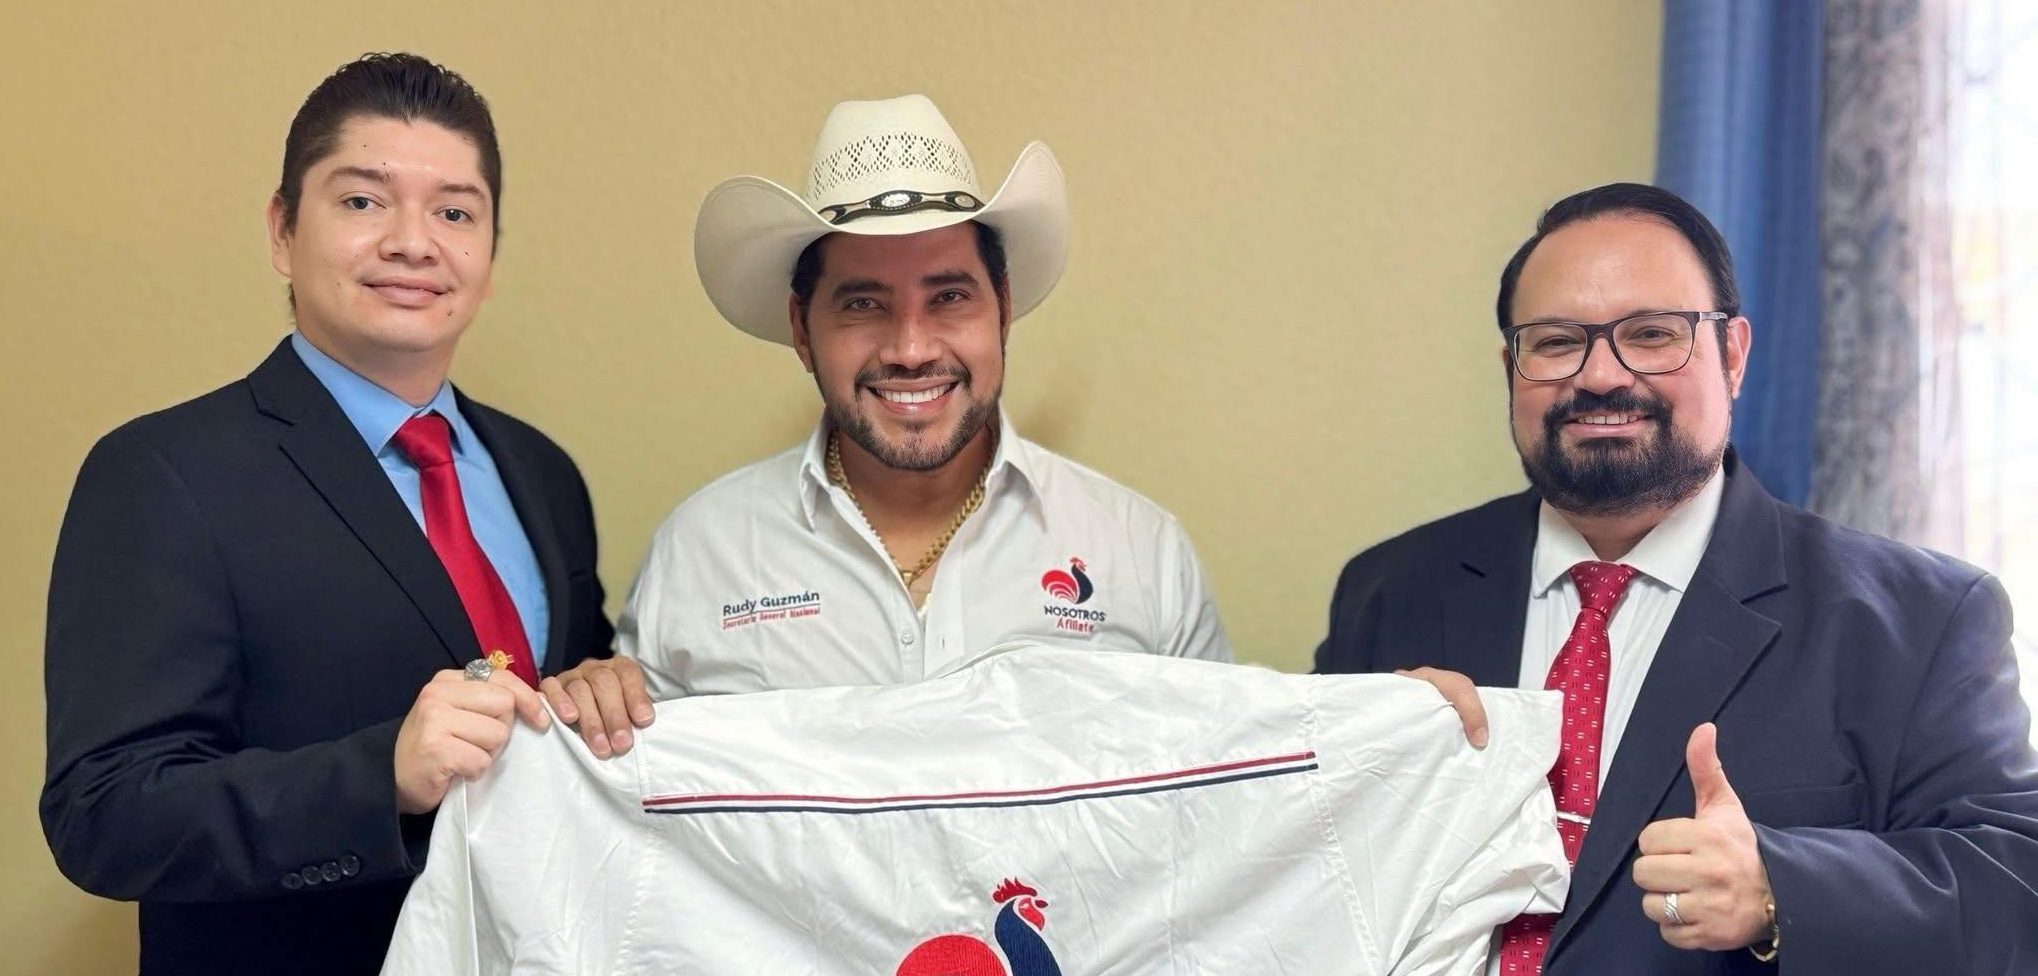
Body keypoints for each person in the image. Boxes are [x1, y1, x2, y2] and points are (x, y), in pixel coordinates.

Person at [1314, 182, 2038, 973]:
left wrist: (1780, 888)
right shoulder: (1391, 592)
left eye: (1652, 334)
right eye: (1556, 342)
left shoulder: (1921, 620)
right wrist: (1354, 781)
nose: (1600, 375)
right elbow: (1298, 880)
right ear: (1511, 370)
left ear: (1733, 356)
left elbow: (2013, 891)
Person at [40, 53, 614, 975]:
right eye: (362, 201)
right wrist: (380, 775)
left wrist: (602, 688)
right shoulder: (162, 473)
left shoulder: (542, 473)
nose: (413, 243)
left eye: (455, 212)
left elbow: (566, 708)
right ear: (282, 230)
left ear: (489, 256)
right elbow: (103, 812)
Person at [544, 95, 1228, 756]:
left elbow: (1218, 803)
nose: (911, 349)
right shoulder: (700, 553)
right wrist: (589, 714)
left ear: (1003, 307)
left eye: (949, 296)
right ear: (802, 330)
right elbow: (640, 806)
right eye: (863, 304)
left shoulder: (1141, 554)